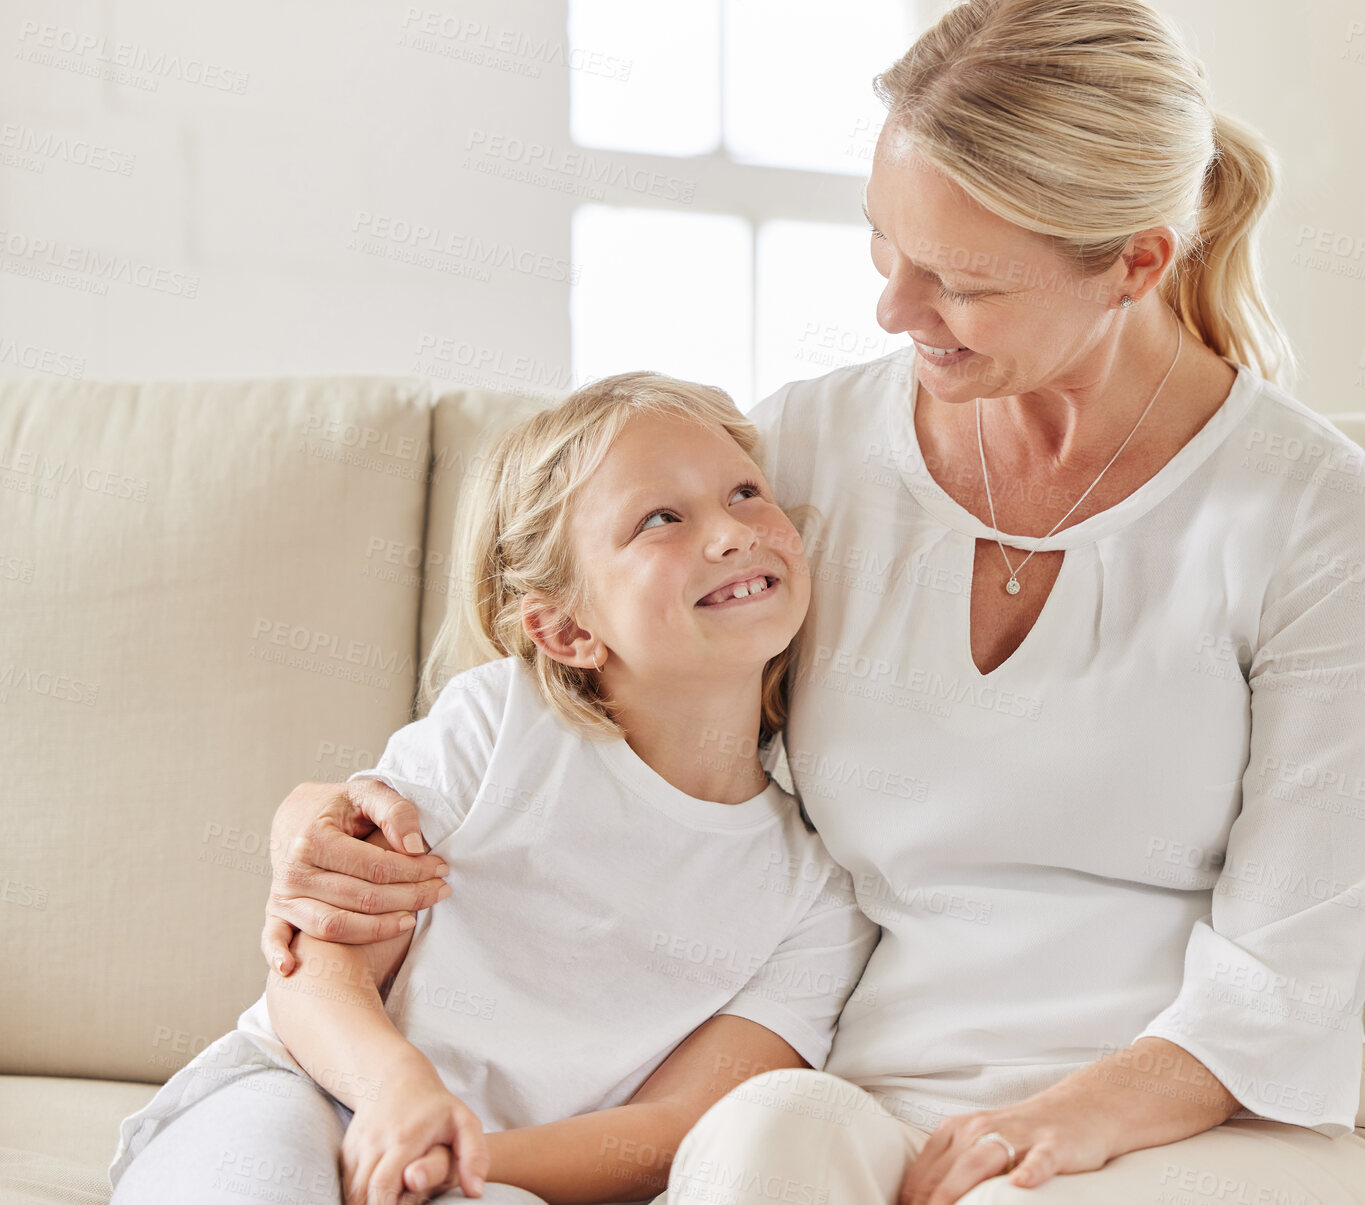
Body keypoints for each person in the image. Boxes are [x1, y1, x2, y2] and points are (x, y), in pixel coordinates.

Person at [258, 1, 1365, 1202]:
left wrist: (1053, 1123)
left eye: (962, 284)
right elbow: (606, 710)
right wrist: (327, 820)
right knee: (759, 1144)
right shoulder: (807, 453)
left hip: (1206, 1113)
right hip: (871, 1097)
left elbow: (1285, 978)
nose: (895, 311)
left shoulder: (1314, 512)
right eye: (886, 248)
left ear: (1137, 262)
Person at [107, 372, 879, 1205]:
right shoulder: (498, 724)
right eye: (662, 518)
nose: (732, 532)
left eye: (745, 492)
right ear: (567, 629)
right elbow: (317, 961)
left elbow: (674, 1128)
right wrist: (397, 1092)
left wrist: (450, 1159)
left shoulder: (818, 892)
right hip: (306, 1092)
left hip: (495, 1172)